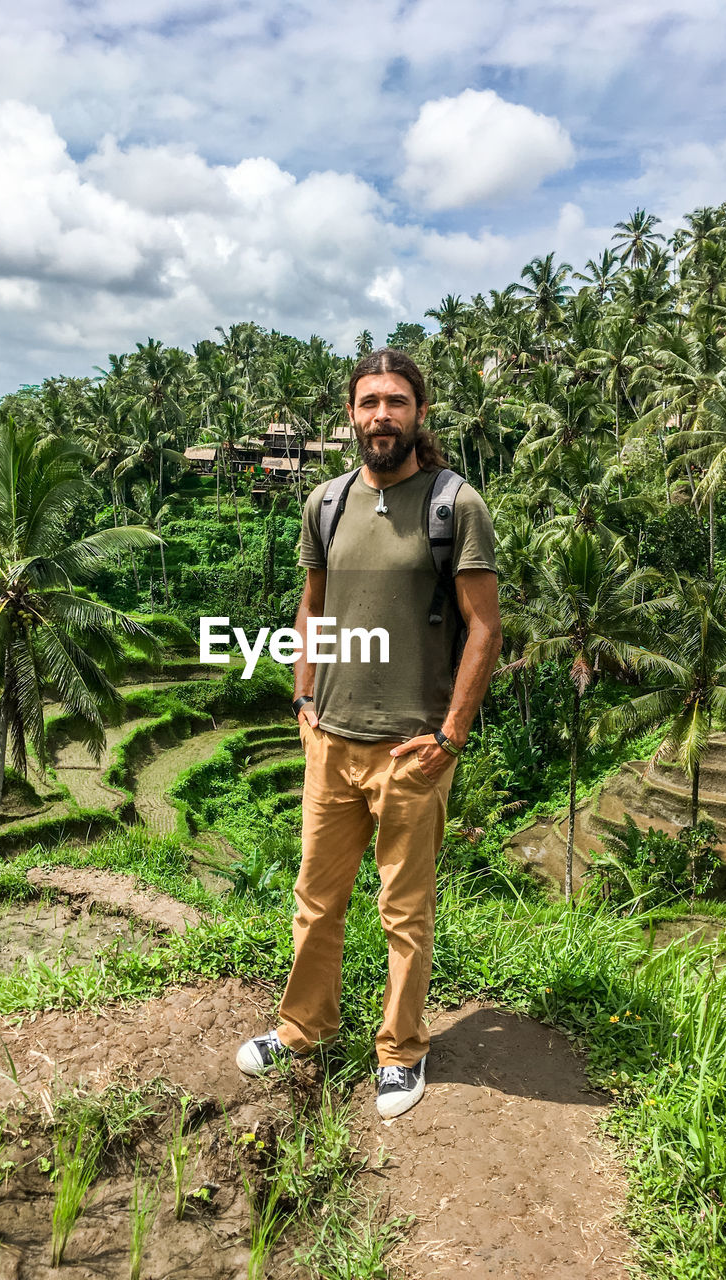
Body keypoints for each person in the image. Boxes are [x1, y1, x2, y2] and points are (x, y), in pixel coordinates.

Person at [237, 348, 502, 1118]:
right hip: (332, 742)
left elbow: (484, 629)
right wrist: (302, 699)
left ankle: (401, 1051)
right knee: (315, 901)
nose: (380, 415)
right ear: (350, 416)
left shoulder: (455, 505)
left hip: (412, 751)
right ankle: (302, 1029)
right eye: (367, 403)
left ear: (419, 412)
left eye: (395, 401)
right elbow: (312, 605)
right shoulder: (326, 502)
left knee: (402, 909)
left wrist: (450, 737)